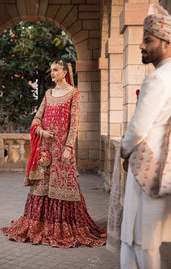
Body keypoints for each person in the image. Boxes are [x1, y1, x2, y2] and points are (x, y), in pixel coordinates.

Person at [2, 60, 107, 248]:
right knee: (42, 186)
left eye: (55, 70)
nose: (52, 73)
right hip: (46, 150)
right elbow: (37, 119)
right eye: (50, 70)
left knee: (66, 186)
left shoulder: (73, 93)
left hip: (62, 150)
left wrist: (68, 148)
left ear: (65, 72)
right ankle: (39, 226)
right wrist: (42, 132)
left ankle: (64, 227)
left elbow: (74, 123)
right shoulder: (48, 94)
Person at [120, 6, 171, 269]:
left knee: (139, 242)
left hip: (147, 169)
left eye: (148, 40)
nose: (142, 46)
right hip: (164, 169)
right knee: (142, 242)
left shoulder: (158, 79)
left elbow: (138, 129)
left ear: (166, 42)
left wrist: (124, 151)